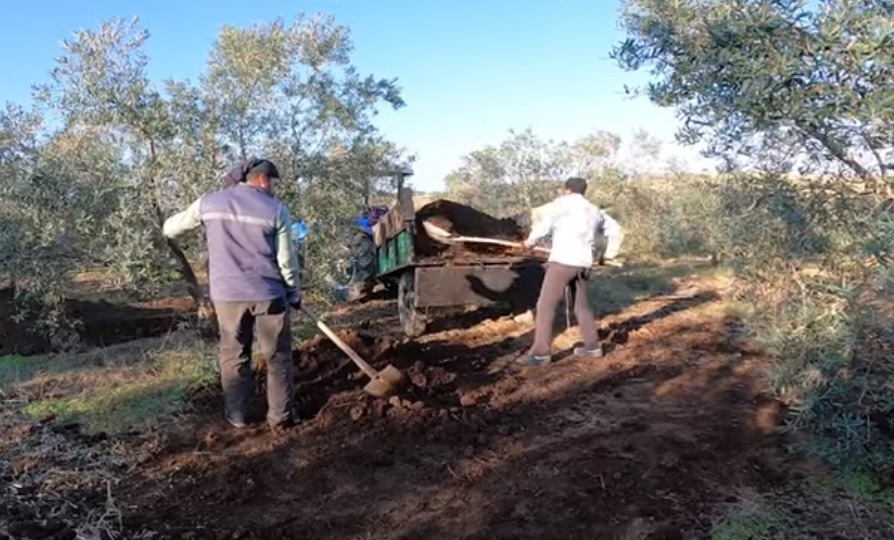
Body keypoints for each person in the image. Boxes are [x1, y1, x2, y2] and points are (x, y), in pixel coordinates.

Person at [163, 158, 301, 430]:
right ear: (262, 179)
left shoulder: (209, 203)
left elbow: (170, 229)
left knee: (234, 353)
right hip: (268, 293)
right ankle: (280, 417)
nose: (275, 189)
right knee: (277, 357)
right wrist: (293, 291)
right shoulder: (276, 209)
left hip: (227, 295)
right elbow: (286, 261)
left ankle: (237, 416)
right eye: (274, 183)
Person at [516, 177, 605, 367]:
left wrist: (529, 242)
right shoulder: (595, 211)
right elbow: (597, 237)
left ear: (567, 190)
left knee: (545, 306)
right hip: (584, 264)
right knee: (581, 306)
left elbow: (543, 226)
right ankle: (592, 347)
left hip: (563, 261)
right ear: (583, 191)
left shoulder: (561, 205)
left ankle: (540, 354)